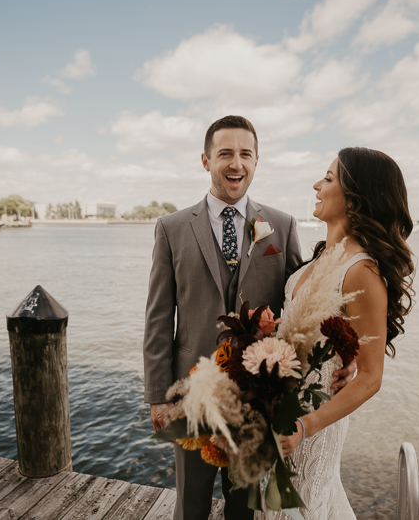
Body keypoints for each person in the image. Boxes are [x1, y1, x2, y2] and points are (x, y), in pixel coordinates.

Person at [143, 116, 356, 520]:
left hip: (259, 391)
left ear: (257, 161)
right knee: (191, 502)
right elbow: (157, 318)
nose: (235, 163)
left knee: (243, 503)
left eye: (245, 154)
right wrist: (157, 394)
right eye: (225, 153)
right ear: (206, 160)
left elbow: (303, 301)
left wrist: (347, 350)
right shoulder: (170, 229)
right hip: (190, 391)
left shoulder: (282, 224)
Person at [259, 147, 415, 520]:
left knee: (304, 506)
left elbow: (371, 377)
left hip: (313, 422)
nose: (317, 185)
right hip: (282, 414)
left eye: (328, 179)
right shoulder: (316, 262)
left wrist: (305, 425)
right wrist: (268, 331)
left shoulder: (361, 271)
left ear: (355, 198)